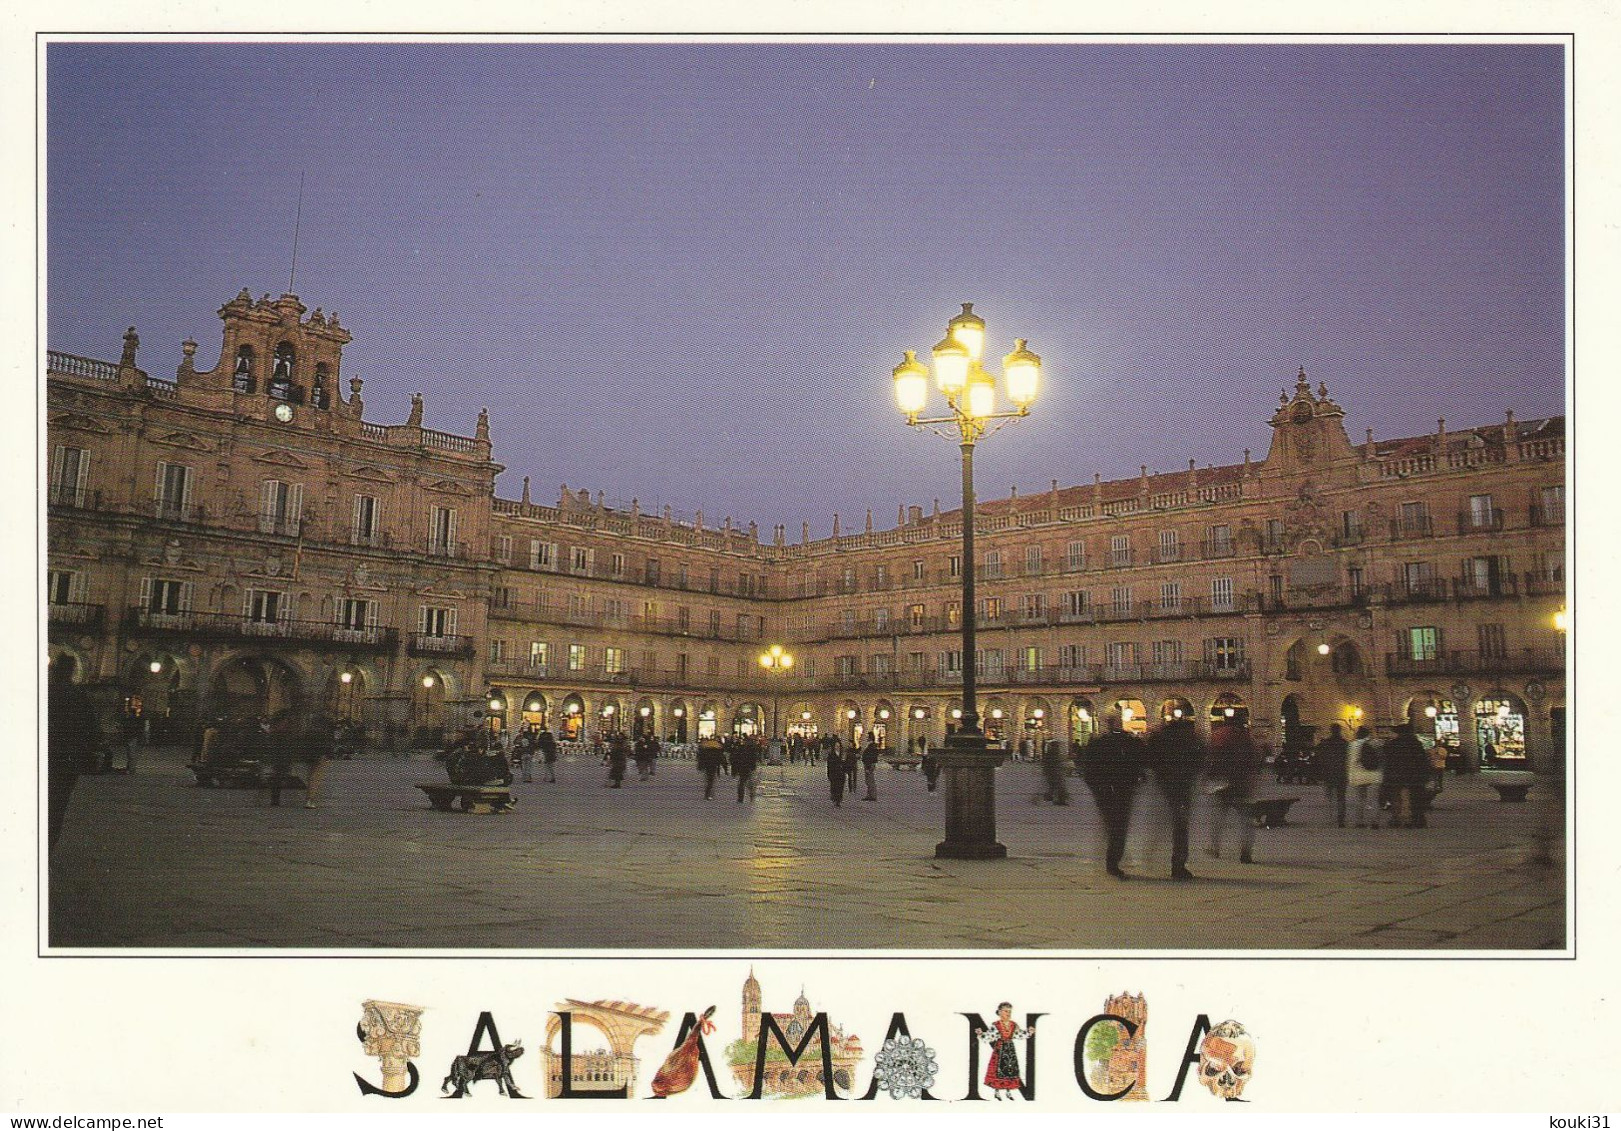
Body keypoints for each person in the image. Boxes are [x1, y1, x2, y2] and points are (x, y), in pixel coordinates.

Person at [1081, 712, 1144, 880]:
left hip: (1106, 792)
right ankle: (1113, 861)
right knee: (1119, 827)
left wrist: (1097, 789)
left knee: (1112, 826)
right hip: (1122, 791)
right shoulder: (1127, 743)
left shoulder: (1098, 744)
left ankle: (1112, 859)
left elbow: (1087, 770)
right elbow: (1138, 764)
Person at [1145, 715, 1204, 880]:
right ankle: (1178, 864)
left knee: (1165, 823)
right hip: (1183, 787)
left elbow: (1150, 758)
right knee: (1180, 826)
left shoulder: (1161, 738)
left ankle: (1151, 853)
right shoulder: (1189, 740)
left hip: (1165, 787)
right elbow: (1200, 758)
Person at [47, 656, 95, 847]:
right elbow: (91, 728)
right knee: (57, 807)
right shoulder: (78, 695)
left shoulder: (44, 692)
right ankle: (49, 845)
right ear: (73, 670)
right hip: (67, 760)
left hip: (42, 756)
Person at [1206, 716, 1260, 864]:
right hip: (1242, 783)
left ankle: (1215, 847)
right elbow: (1255, 758)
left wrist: (1211, 777)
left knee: (1218, 817)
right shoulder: (1246, 737)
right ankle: (1246, 852)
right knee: (1246, 820)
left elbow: (1210, 758)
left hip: (1224, 784)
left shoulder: (1217, 735)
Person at [976, 1003, 1035, 1100]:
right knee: (998, 1069)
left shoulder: (1013, 1024)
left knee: (1010, 1069)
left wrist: (1029, 1032)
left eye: (1010, 1011)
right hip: (1000, 1049)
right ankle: (997, 1092)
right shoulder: (996, 1025)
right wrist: (981, 1034)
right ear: (999, 1012)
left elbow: (1019, 1034)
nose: (1008, 1013)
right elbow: (990, 1036)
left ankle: (1008, 1091)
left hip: (1010, 1050)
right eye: (1006, 1011)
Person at [1382, 723, 1432, 828]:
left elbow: (1387, 761)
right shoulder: (1416, 744)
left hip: (1396, 776)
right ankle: (1416, 820)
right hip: (1415, 776)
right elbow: (1422, 761)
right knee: (1414, 798)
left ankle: (1398, 819)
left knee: (1397, 798)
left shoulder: (1392, 744)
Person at [1346, 724, 1384, 827]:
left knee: (1359, 800)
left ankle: (1360, 822)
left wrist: (1350, 777)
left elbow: (1351, 762)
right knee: (1374, 800)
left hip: (1358, 776)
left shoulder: (1352, 745)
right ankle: (1374, 822)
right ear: (1368, 734)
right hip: (1375, 775)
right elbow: (1382, 760)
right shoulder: (1376, 743)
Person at [1317, 723, 1351, 828]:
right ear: (1340, 731)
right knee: (1341, 798)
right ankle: (1341, 820)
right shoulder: (1345, 743)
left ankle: (1330, 818)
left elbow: (1320, 759)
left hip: (1328, 773)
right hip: (1341, 773)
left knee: (1329, 797)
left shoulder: (1325, 743)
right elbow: (1348, 759)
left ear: (1331, 731)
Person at [1039, 736, 1071, 806]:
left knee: (1054, 786)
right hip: (1056, 772)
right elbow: (1056, 762)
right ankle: (1059, 799)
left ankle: (1051, 797)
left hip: (1053, 772)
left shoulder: (1051, 753)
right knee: (1059, 786)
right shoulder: (1055, 753)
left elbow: (1046, 762)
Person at [732, 735, 760, 803]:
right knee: (750, 782)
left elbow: (735, 759)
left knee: (741, 782)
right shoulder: (752, 749)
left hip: (742, 768)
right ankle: (751, 796)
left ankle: (740, 798)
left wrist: (734, 770)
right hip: (749, 767)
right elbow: (754, 759)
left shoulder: (740, 748)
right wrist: (753, 767)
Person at [697, 734, 724, 800]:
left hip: (707, 766)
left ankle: (708, 794)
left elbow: (701, 758)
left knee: (708, 780)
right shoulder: (717, 749)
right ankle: (709, 794)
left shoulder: (705, 748)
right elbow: (720, 758)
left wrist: (700, 766)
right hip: (713, 766)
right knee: (711, 780)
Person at [826, 738, 847, 807]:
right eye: (836, 745)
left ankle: (838, 800)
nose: (837, 747)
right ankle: (834, 798)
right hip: (834, 773)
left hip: (841, 773)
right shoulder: (831, 754)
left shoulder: (842, 754)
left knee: (840, 787)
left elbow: (846, 763)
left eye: (838, 746)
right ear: (834, 746)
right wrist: (829, 773)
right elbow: (829, 765)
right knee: (834, 787)